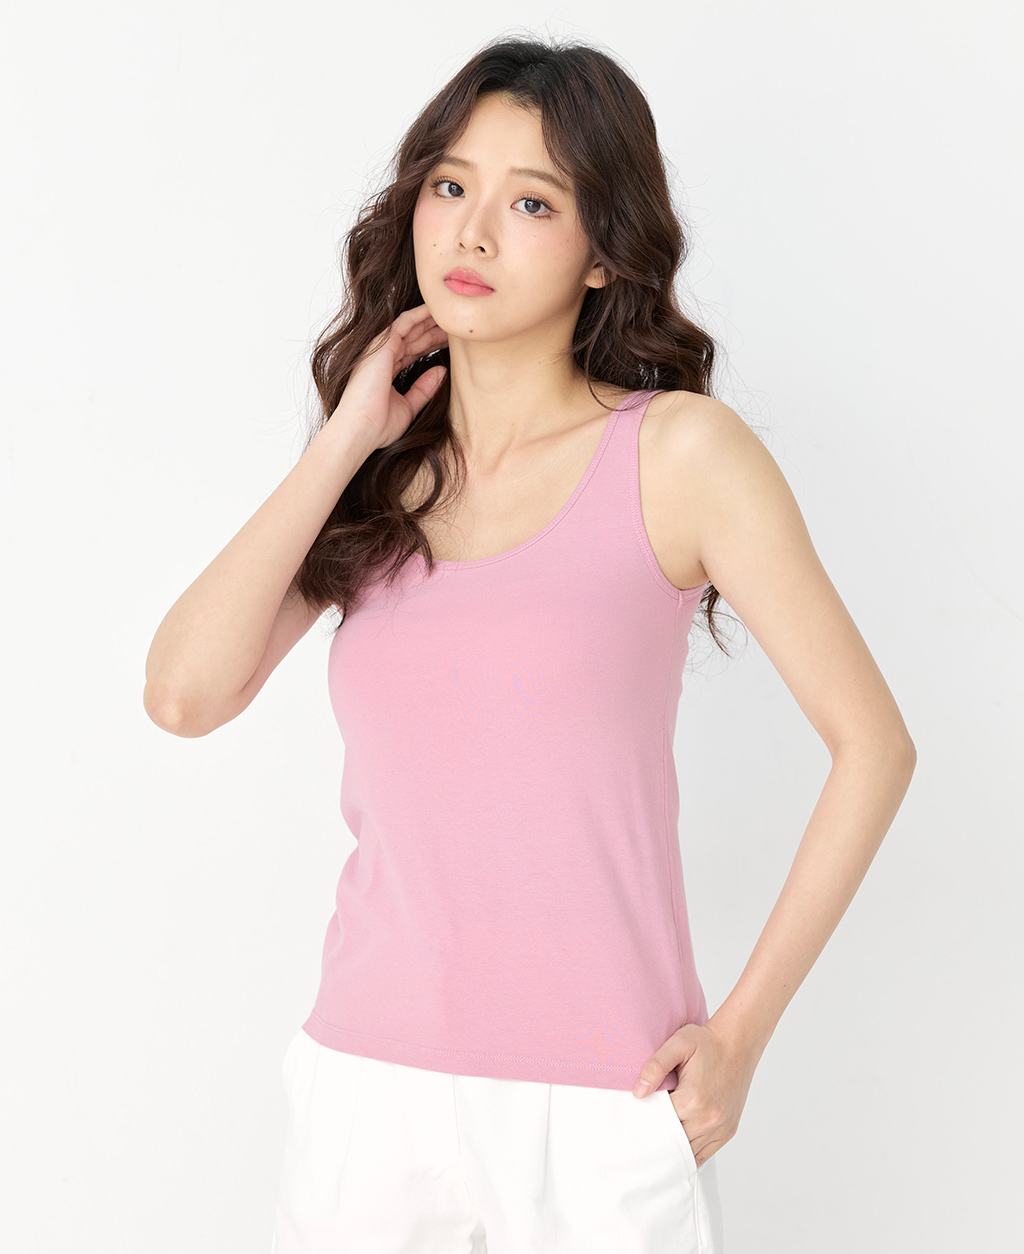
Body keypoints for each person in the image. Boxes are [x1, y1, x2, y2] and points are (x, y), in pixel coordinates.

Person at [143, 34, 916, 1254]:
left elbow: (873, 746)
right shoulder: (379, 482)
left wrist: (740, 1036)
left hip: (603, 1107)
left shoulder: (680, 455)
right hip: (367, 1093)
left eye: (532, 202)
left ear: (605, 250)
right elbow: (184, 695)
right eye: (450, 185)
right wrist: (343, 441)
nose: (471, 231)